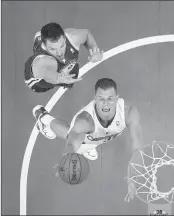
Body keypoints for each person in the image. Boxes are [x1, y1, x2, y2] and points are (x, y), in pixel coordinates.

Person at [32, 78, 143, 160]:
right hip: (87, 133)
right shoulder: (84, 122)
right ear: (95, 99)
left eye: (110, 99)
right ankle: (43, 118)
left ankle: (90, 145)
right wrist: (66, 161)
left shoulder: (128, 112)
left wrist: (136, 171)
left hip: (96, 136)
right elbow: (71, 146)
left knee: (90, 141)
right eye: (101, 99)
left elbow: (137, 146)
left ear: (117, 98)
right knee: (73, 139)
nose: (106, 104)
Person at [24, 22, 103, 93]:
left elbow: (86, 34)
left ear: (65, 38)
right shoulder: (44, 60)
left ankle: (63, 81)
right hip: (39, 81)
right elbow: (45, 71)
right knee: (51, 69)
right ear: (44, 46)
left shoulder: (73, 36)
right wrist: (58, 78)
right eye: (53, 49)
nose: (59, 52)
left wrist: (94, 49)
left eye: (61, 46)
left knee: (74, 68)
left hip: (63, 70)